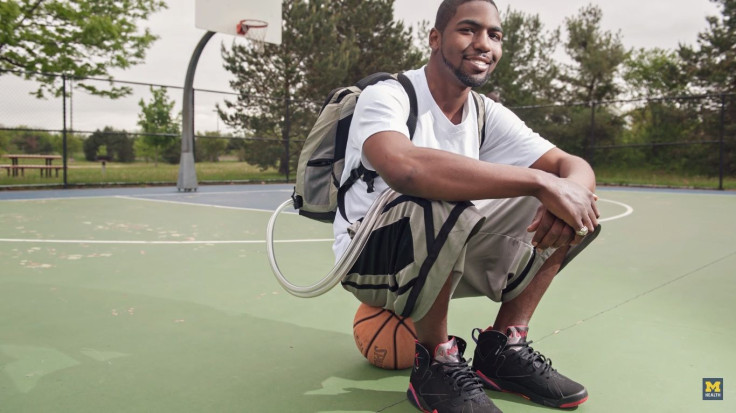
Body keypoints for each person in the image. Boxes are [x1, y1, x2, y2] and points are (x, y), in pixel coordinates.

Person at [333, 0, 600, 412]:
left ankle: (504, 349)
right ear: (435, 39)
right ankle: (437, 362)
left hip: (441, 245)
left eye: (494, 35)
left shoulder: (483, 112)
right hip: (370, 256)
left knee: (575, 207)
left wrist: (567, 194)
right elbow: (405, 168)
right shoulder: (388, 95)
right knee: (438, 196)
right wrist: (538, 181)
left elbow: (572, 165)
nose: (483, 44)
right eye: (468, 30)